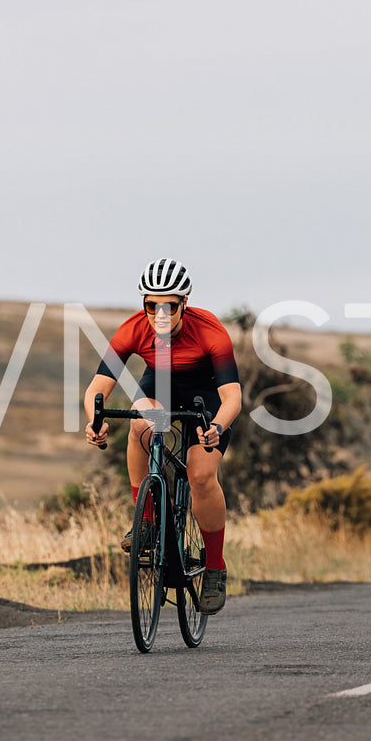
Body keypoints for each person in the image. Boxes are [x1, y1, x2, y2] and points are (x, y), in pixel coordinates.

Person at [83, 258, 242, 614]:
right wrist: (95, 421)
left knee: (200, 474)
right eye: (152, 305)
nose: (160, 313)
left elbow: (233, 397)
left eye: (170, 305)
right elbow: (97, 387)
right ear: (144, 304)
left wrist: (215, 428)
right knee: (141, 424)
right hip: (161, 386)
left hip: (208, 397)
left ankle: (215, 565)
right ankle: (148, 521)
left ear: (185, 303)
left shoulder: (210, 331)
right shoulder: (132, 329)